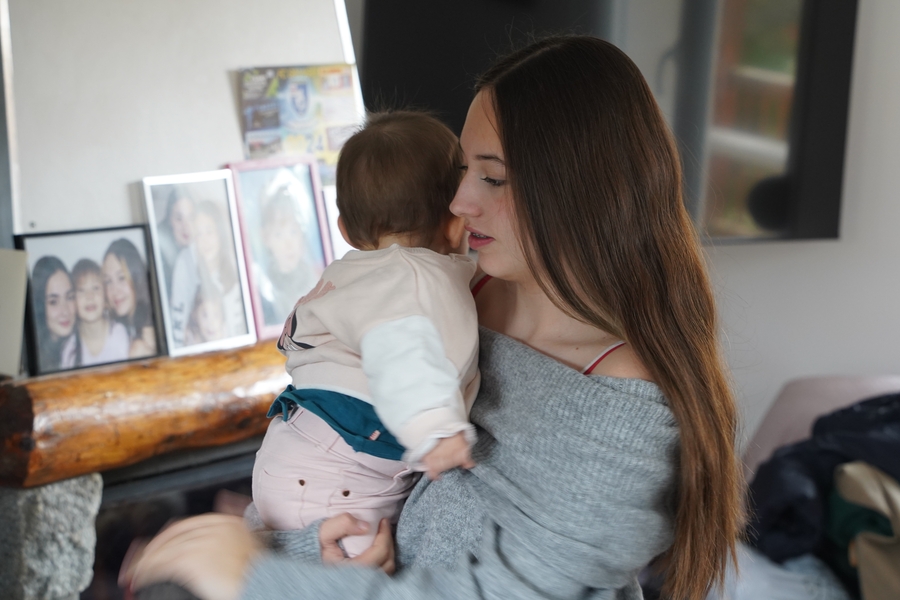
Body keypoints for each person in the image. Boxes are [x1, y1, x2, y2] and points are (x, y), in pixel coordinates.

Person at [127, 35, 741, 600]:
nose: (459, 201)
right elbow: (387, 496)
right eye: (462, 171)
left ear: (581, 192)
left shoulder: (620, 409)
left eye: (493, 178)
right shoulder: (457, 289)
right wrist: (312, 551)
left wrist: (255, 577)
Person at [252, 110, 478, 557]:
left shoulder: (352, 273)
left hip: (304, 447)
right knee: (362, 570)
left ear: (346, 231)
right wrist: (435, 428)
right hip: (342, 469)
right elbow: (398, 350)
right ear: (456, 224)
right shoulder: (411, 278)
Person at [170, 200, 248, 348]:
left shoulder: (234, 263)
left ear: (219, 233)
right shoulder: (185, 262)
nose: (205, 241)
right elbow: (178, 321)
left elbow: (239, 328)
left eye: (209, 232)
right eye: (199, 234)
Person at [254, 183, 323, 326]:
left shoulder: (319, 278)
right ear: (266, 238)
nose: (288, 244)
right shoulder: (264, 289)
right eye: (278, 235)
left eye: (293, 232)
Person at [61, 259, 130, 367]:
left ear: (105, 296)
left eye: (96, 288)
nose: (89, 296)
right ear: (73, 299)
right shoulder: (70, 350)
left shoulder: (118, 333)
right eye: (81, 290)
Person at [103, 238, 157, 358]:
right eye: (108, 281)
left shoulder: (149, 330)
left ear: (136, 277)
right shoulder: (117, 327)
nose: (115, 291)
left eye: (121, 278)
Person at [30, 255, 76, 373]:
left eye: (69, 297)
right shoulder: (32, 358)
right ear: (39, 306)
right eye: (53, 302)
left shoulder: (84, 345)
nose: (65, 311)